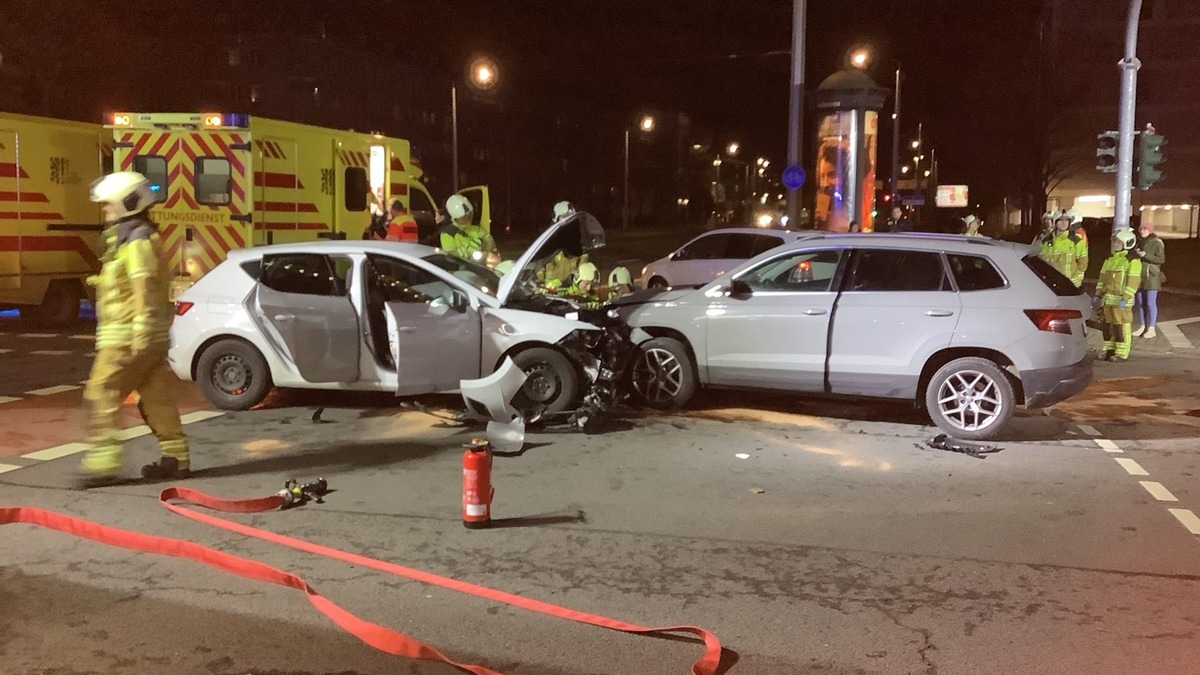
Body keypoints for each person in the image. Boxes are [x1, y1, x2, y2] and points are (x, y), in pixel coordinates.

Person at [80, 171, 189, 485]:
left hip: (127, 337)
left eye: (109, 205)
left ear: (126, 203)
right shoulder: (136, 236)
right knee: (155, 397)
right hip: (149, 336)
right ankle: (176, 457)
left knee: (102, 391)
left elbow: (142, 284)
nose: (105, 211)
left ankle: (104, 463)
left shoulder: (135, 239)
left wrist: (139, 327)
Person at [1094, 229, 1143, 361]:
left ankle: (1121, 353)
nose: (1114, 244)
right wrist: (1098, 295)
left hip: (1122, 301)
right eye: (1114, 241)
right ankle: (1109, 351)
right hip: (1108, 300)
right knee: (1108, 328)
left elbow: (1133, 282)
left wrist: (1126, 298)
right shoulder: (1110, 259)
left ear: (1126, 243)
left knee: (1121, 327)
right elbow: (1102, 279)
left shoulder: (1132, 261)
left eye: (1117, 241)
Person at [1133, 220, 1166, 339]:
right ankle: (1142, 325)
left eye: (1145, 229)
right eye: (1141, 229)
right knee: (1140, 302)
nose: (1142, 231)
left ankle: (1151, 327)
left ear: (1150, 230)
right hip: (1140, 274)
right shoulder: (1139, 241)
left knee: (1150, 302)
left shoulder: (1157, 242)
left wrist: (1145, 255)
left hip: (1151, 275)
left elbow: (1161, 259)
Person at [439, 194, 495, 263]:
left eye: (470, 216)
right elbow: (451, 255)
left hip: (480, 265)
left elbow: (489, 241)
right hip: (460, 268)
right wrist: (467, 252)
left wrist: (486, 248)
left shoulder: (477, 229)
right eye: (464, 218)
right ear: (455, 218)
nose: (468, 219)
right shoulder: (447, 234)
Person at [1040, 209, 1088, 287]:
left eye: (1066, 220)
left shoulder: (1076, 241)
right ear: (1055, 222)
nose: (1064, 223)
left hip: (1069, 284)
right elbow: (1041, 263)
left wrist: (1075, 281)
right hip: (1050, 284)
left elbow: (1083, 264)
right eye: (1061, 220)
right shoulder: (1046, 241)